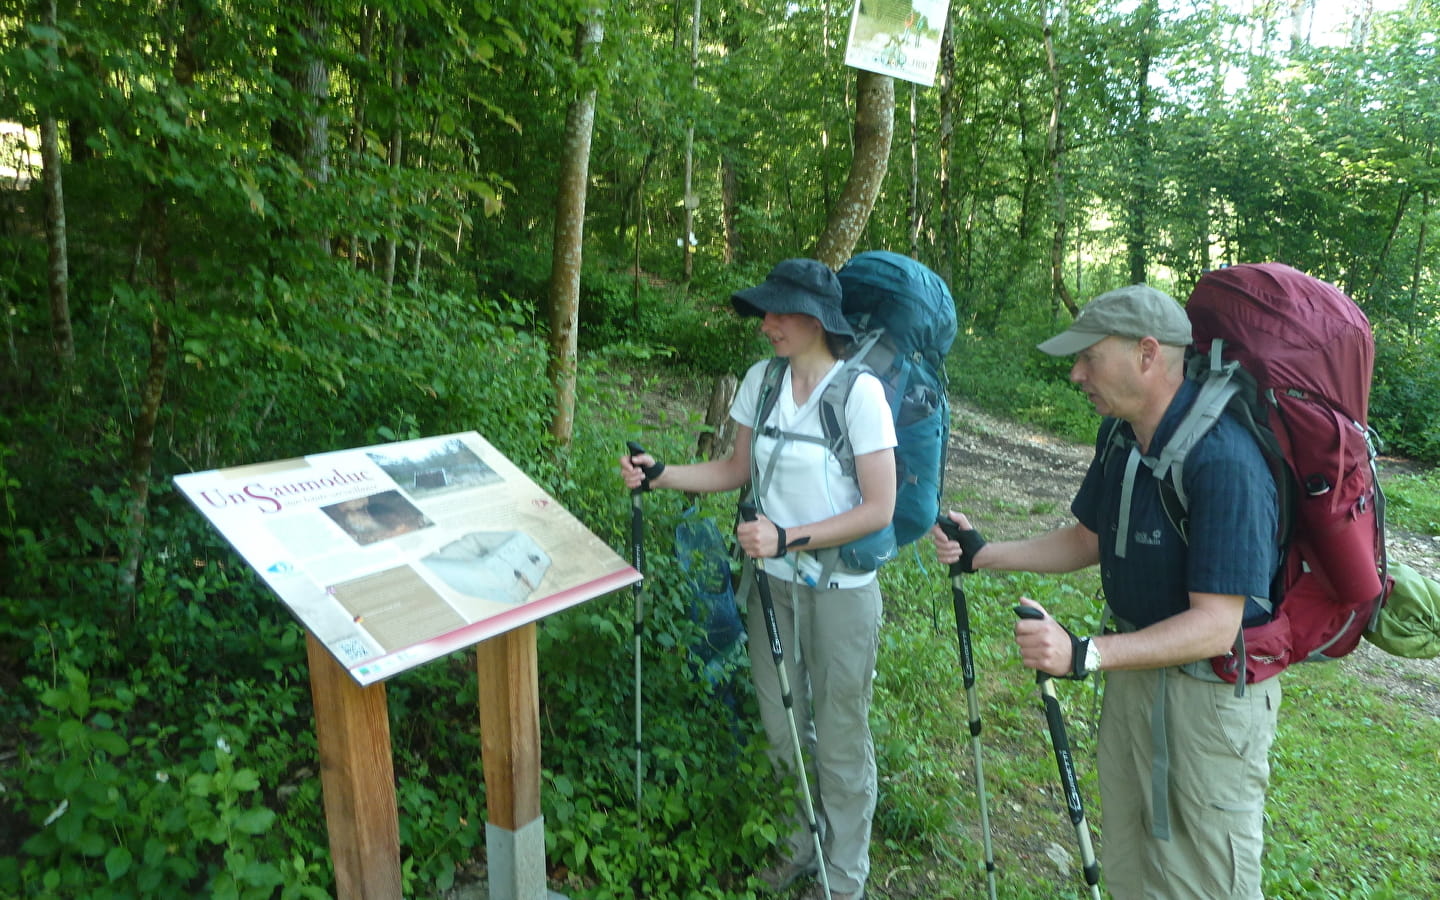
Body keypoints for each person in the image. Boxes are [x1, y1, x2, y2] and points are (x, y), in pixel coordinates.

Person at [931, 284, 1280, 900]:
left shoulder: (1225, 458)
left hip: (1209, 700)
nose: (1075, 373)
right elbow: (1090, 537)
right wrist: (986, 555)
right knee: (1131, 859)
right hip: (1135, 680)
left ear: (1148, 354)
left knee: (1200, 881)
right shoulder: (1123, 437)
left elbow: (1215, 625)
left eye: (1089, 356)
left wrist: (1085, 653)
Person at [620, 258, 895, 900]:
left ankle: (845, 875)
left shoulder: (860, 394)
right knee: (780, 725)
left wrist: (786, 536)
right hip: (771, 586)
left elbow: (877, 508)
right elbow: (735, 468)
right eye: (765, 311)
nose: (766, 323)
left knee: (840, 735)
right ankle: (797, 846)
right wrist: (663, 474)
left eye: (779, 312)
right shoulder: (761, 381)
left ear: (819, 320)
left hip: (840, 594)